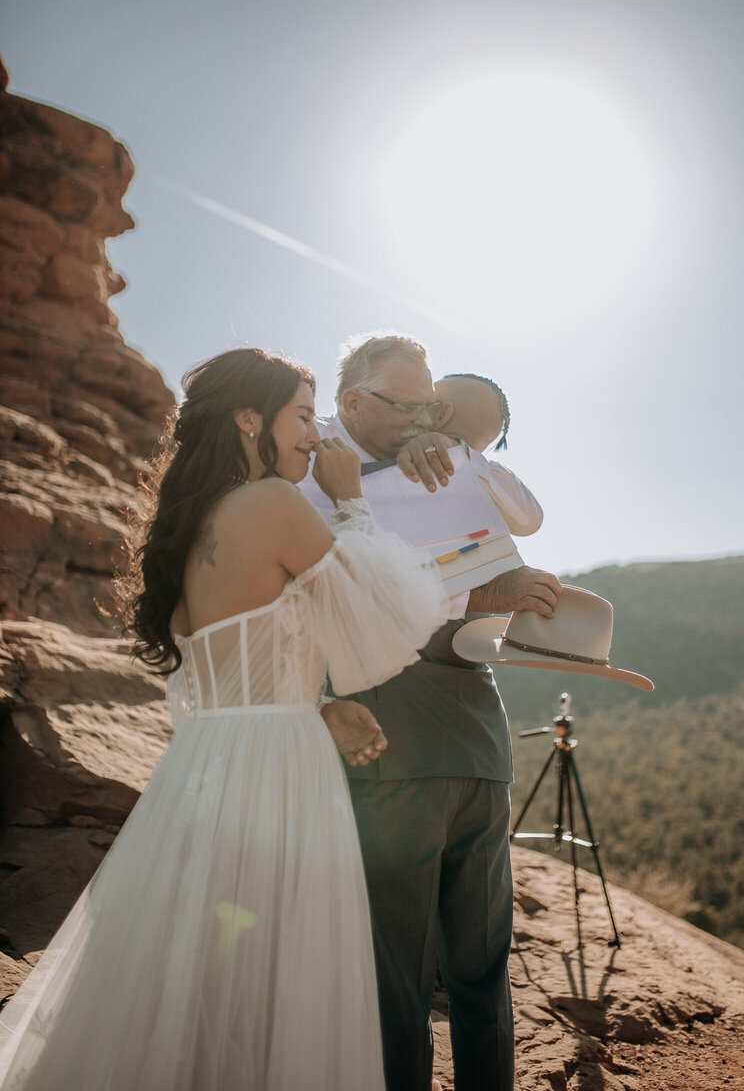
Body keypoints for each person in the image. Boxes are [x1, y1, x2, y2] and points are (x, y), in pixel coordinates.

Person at [0, 347, 448, 1091]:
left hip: (208, 762)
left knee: (198, 969)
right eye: (303, 417)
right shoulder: (274, 503)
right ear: (250, 420)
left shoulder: (191, 526)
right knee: (271, 970)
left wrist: (320, 703)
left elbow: (238, 663)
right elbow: (389, 621)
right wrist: (353, 502)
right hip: (275, 769)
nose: (314, 436)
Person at [307, 334, 562, 1091]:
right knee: (405, 972)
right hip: (393, 733)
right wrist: (485, 592)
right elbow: (342, 587)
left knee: (463, 967)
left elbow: (523, 520)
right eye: (425, 407)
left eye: (446, 417)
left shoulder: (457, 475)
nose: (432, 421)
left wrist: (460, 457)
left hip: (469, 741)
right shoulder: (320, 467)